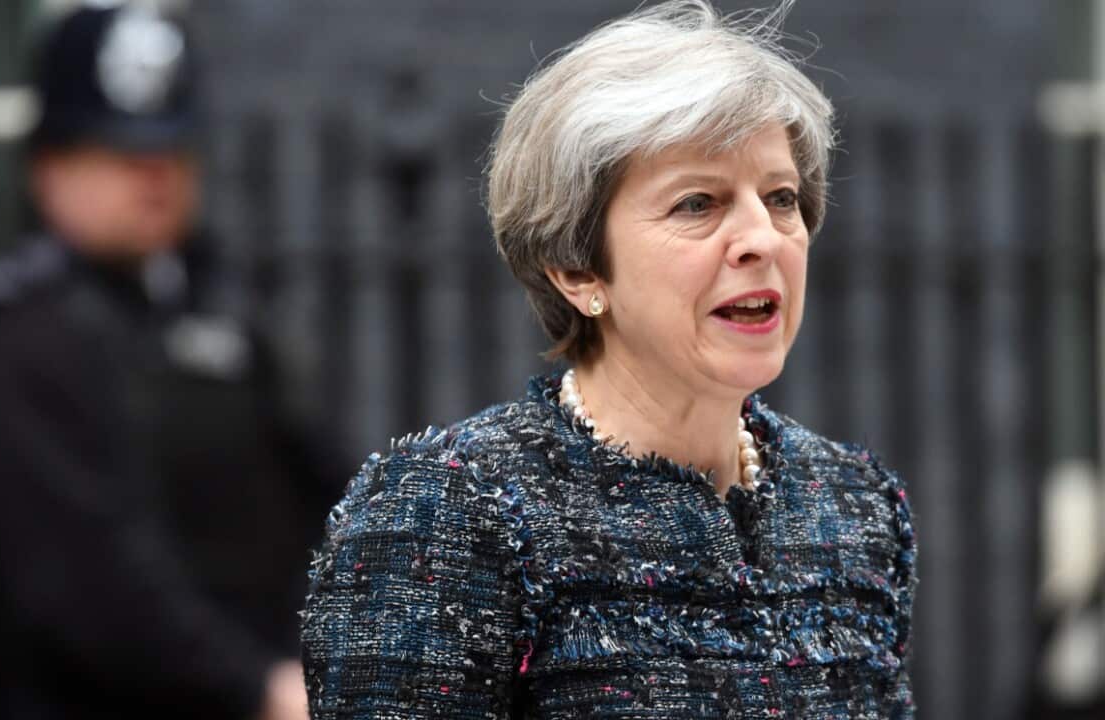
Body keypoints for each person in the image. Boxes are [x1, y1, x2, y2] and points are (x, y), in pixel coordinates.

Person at [300, 1, 918, 717]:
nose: (763, 238)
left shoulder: (853, 505)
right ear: (577, 269)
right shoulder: (451, 514)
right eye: (697, 204)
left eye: (780, 198)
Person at [0, 4, 330, 719]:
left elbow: (320, 497)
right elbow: (89, 583)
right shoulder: (18, 338)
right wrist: (259, 688)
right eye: (118, 153)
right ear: (49, 167)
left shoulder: (212, 313)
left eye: (171, 151)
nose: (154, 177)